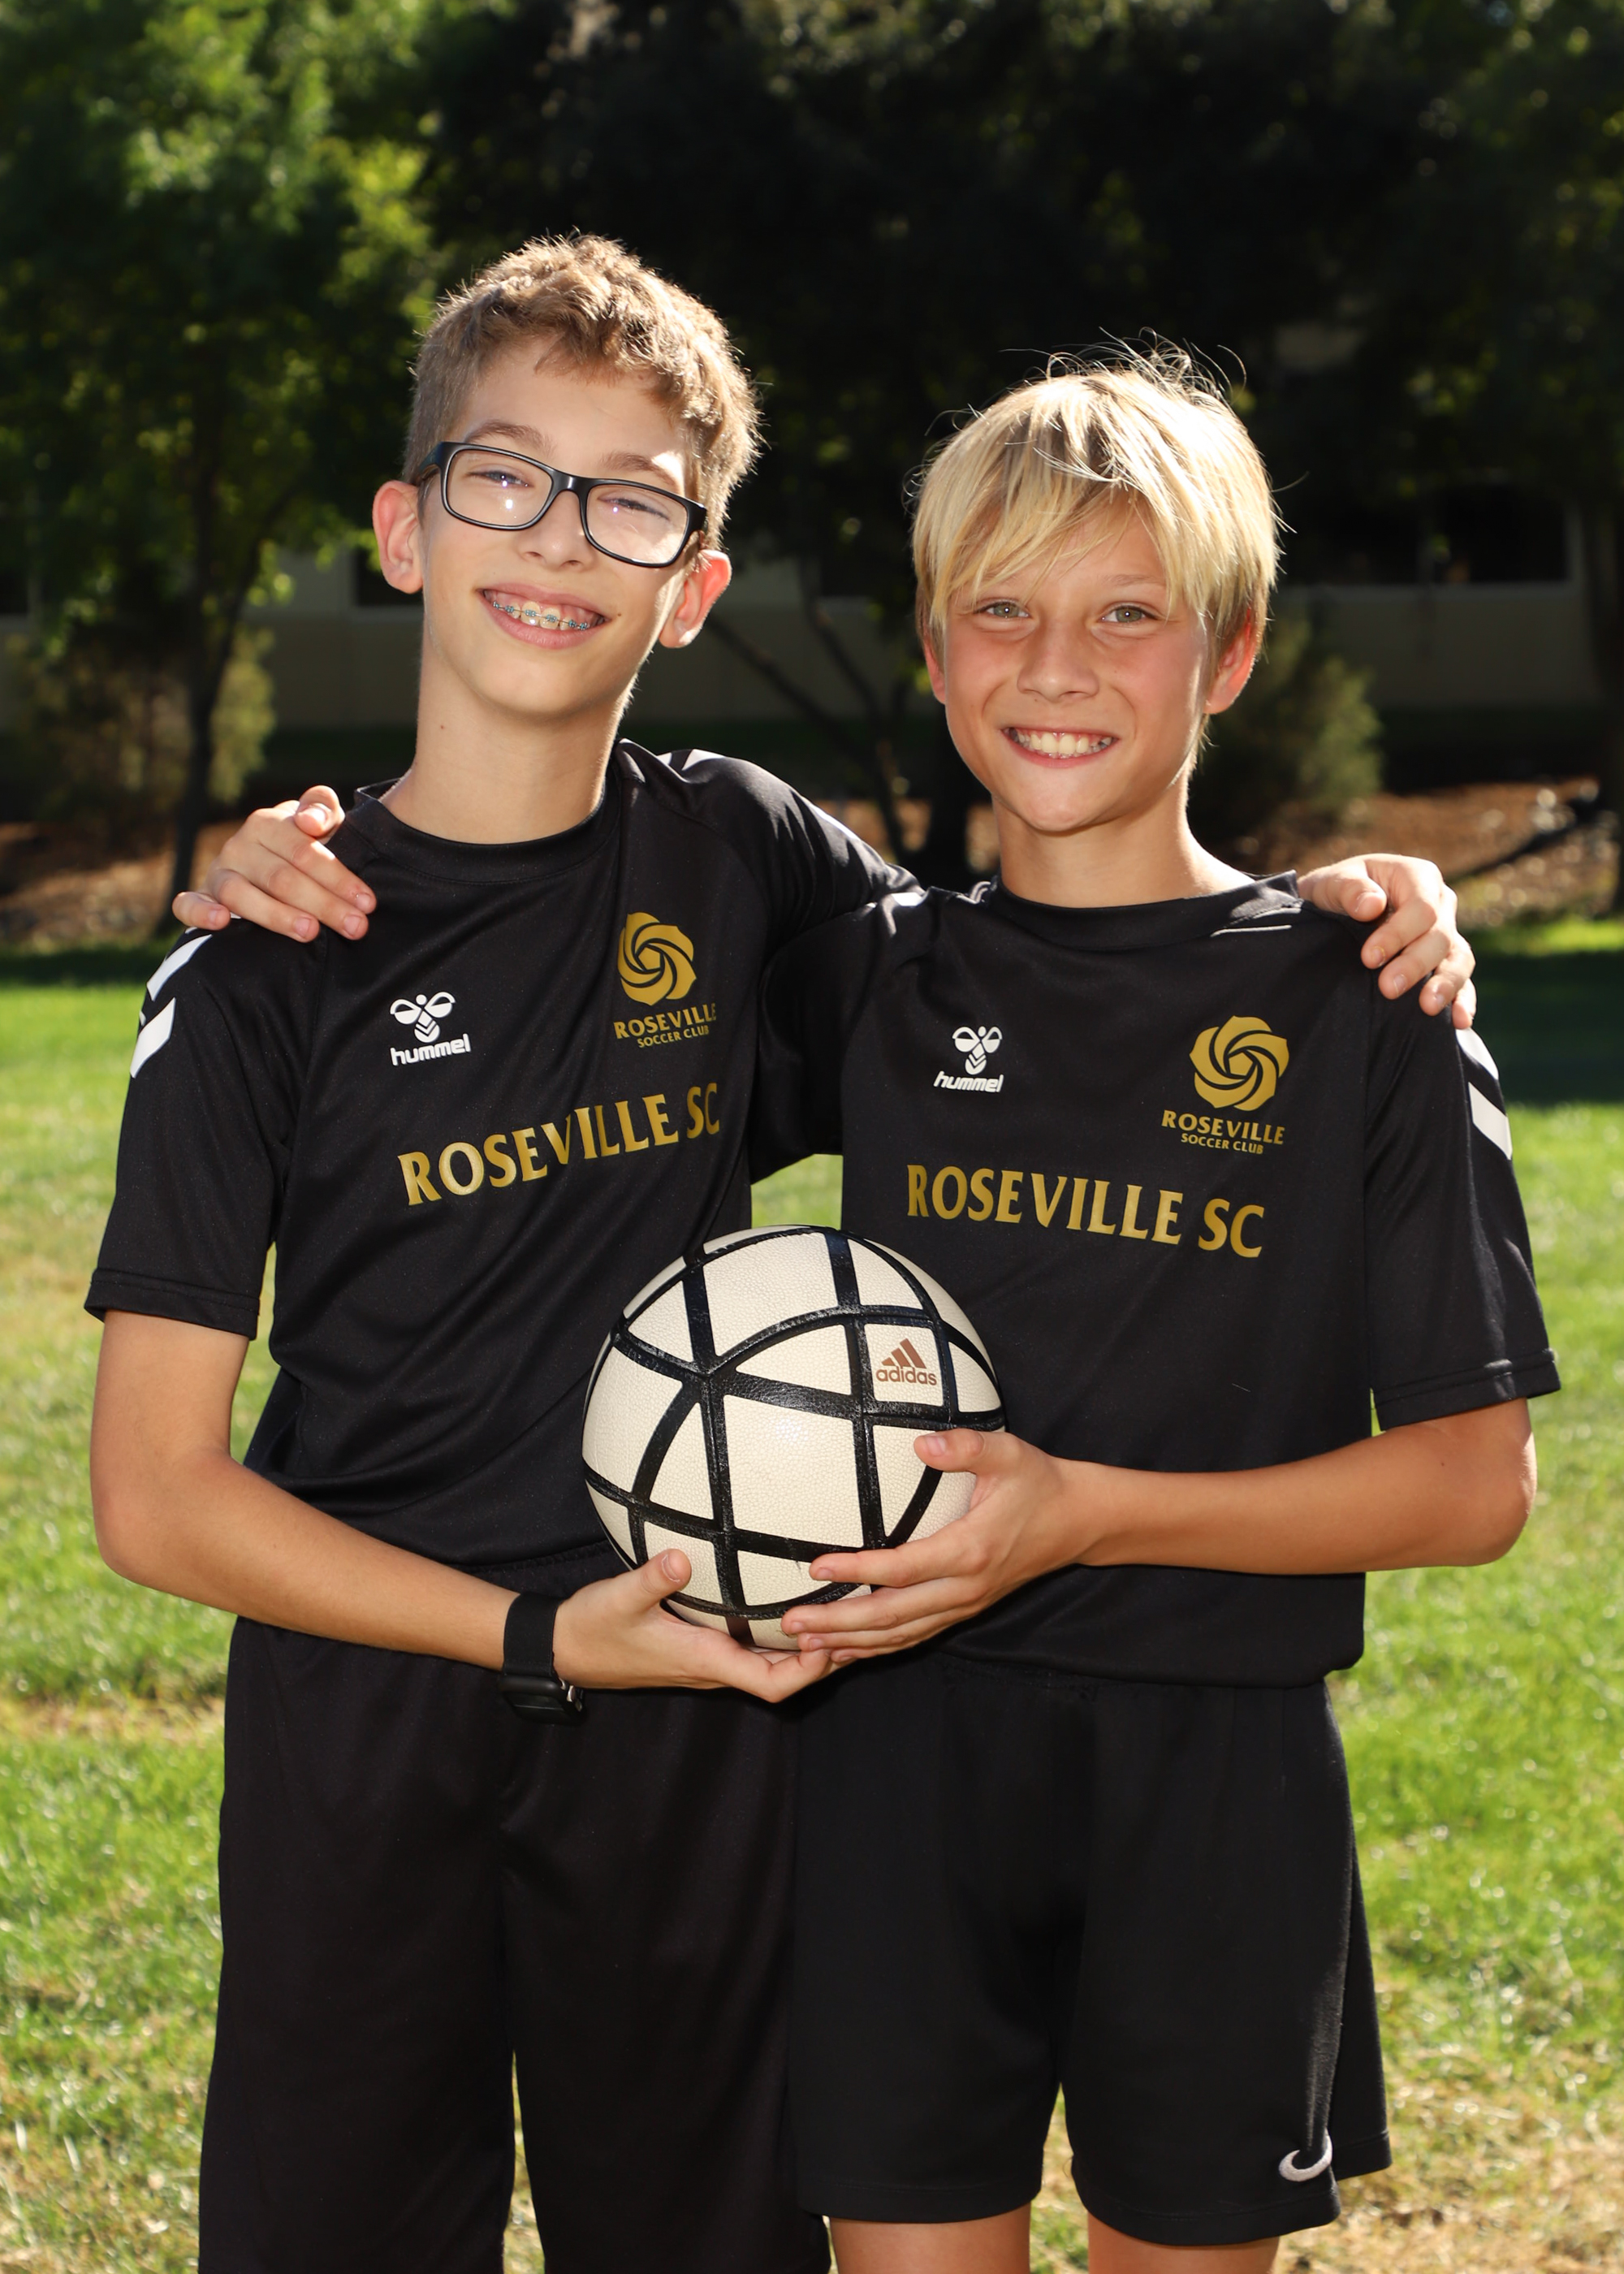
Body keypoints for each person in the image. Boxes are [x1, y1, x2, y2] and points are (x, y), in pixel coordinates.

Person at [132, 241, 1474, 2268]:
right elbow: (152, 1493)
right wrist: (532, 1632)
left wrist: (1338, 911)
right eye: (506, 477)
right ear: (405, 530)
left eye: (629, 500)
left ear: (693, 585)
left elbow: (1063, 962)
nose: (559, 536)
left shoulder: (737, 854)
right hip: (373, 1710)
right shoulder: (268, 955)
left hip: (709, 1695)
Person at [748, 353, 1558, 2274]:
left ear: (1229, 653)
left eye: (1126, 613)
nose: (1055, 666)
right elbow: (551, 1038)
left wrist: (1083, 1509)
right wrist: (299, 869)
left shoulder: (1362, 1004)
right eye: (1000, 609)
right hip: (892, 1754)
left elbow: (1471, 1485)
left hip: (1216, 1772)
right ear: (933, 651)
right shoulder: (865, 978)